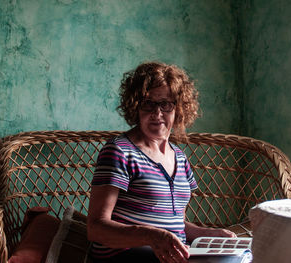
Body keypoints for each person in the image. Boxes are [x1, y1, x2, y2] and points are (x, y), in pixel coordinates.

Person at [87, 61, 236, 263]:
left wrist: (209, 234)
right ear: (135, 107)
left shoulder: (180, 158)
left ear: (179, 108)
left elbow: (177, 225)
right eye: (148, 104)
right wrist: (151, 236)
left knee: (236, 259)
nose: (157, 114)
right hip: (123, 255)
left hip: (170, 255)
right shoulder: (119, 151)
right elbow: (96, 228)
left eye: (165, 104)